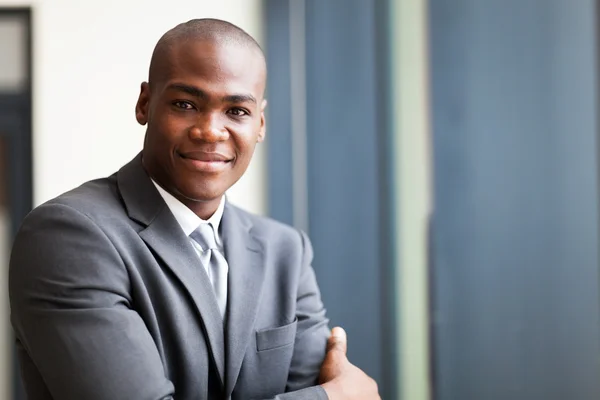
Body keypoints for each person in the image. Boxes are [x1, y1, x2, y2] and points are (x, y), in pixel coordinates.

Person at [9, 19, 380, 400]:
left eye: (236, 111)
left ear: (260, 123)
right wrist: (330, 397)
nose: (210, 131)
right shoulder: (68, 236)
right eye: (186, 104)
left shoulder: (286, 251)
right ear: (144, 104)